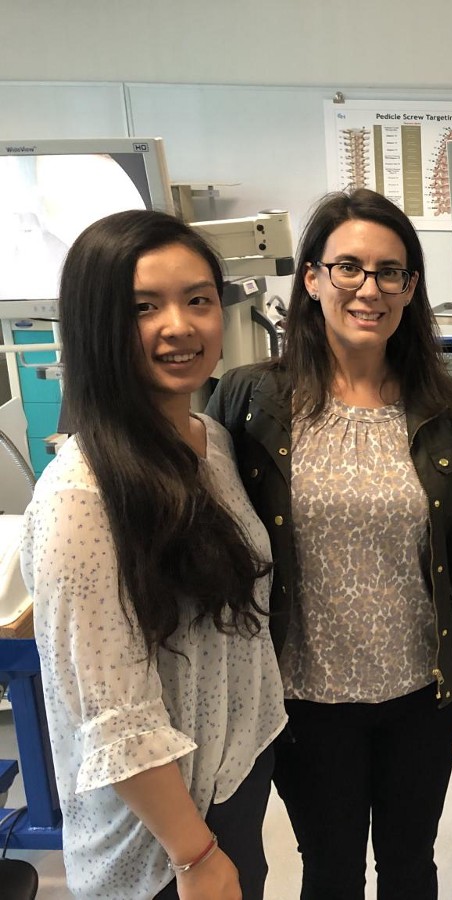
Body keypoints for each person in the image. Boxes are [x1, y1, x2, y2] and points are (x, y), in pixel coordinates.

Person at [207, 188, 452, 899]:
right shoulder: (252, 401)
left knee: (409, 867)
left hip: (420, 695)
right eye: (348, 268)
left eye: (390, 272)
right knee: (331, 870)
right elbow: (204, 533)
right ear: (311, 279)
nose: (369, 289)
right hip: (305, 699)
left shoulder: (440, 406)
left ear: (410, 288)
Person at [21, 209, 285, 899]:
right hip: (160, 839)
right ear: (97, 325)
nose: (181, 325)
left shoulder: (212, 443)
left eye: (198, 300)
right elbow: (115, 717)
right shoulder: (81, 497)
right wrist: (194, 856)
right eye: (145, 307)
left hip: (229, 780)